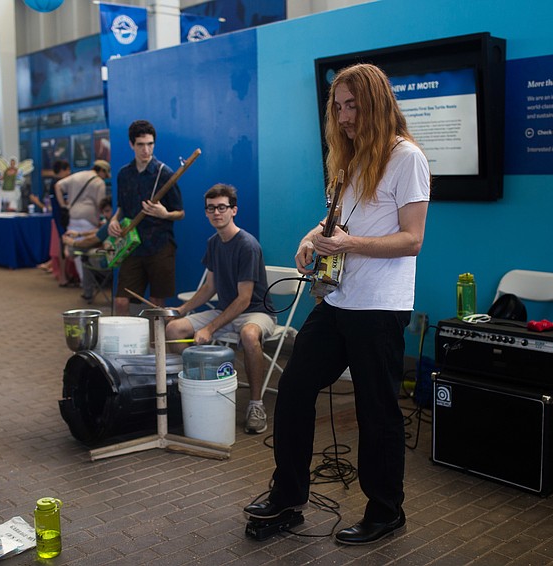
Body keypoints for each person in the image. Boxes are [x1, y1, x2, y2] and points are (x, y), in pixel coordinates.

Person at [243, 63, 430, 546]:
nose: (345, 117)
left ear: (376, 103)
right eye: (338, 107)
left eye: (353, 106)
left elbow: (412, 240)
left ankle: (386, 510)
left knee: (377, 410)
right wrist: (313, 238)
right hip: (338, 301)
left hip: (381, 307)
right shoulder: (347, 160)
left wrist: (348, 244)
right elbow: (336, 223)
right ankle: (287, 496)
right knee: (297, 386)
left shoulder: (406, 158)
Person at [165, 184, 276, 434]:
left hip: (256, 312)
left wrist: (209, 328)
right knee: (174, 329)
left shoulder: (247, 245)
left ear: (233, 210)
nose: (217, 212)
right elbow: (209, 287)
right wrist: (181, 310)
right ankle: (198, 388)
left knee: (249, 335)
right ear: (206, 212)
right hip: (226, 309)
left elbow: (244, 299)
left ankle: (256, 405)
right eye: (211, 208)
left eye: (222, 207)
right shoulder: (214, 242)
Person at [108, 120, 184, 315]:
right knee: (121, 300)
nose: (146, 150)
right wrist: (113, 221)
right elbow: (121, 208)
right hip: (132, 246)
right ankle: (123, 344)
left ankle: (154, 344)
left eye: (150, 144)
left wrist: (165, 214)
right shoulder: (124, 174)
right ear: (131, 145)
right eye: (141, 144)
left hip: (160, 245)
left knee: (156, 304)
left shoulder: (165, 173)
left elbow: (180, 213)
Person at [55, 160, 110, 300]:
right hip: (89, 218)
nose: (105, 177)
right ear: (102, 171)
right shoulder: (99, 182)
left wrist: (64, 205)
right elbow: (100, 204)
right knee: (86, 247)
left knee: (79, 253)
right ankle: (85, 284)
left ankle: (83, 283)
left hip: (73, 216)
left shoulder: (77, 175)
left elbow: (58, 185)